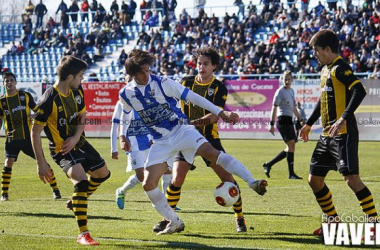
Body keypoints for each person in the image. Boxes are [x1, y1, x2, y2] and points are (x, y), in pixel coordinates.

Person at [119, 49, 268, 235]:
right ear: (133, 74)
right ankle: (173, 221)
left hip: (184, 131)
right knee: (149, 184)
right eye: (142, 71)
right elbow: (125, 114)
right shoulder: (126, 94)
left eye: (148, 69)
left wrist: (221, 113)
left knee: (215, 157)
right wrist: (122, 135)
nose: (147, 73)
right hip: (161, 141)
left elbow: (192, 97)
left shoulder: (163, 82)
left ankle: (251, 184)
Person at [153, 47, 249, 233]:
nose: (201, 67)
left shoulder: (219, 87)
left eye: (206, 64)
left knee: (227, 178)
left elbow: (214, 116)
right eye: (199, 63)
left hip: (208, 139)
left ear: (214, 66)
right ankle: (167, 220)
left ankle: (239, 218)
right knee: (176, 179)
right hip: (185, 138)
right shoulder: (186, 82)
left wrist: (190, 123)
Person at [300, 29, 378, 235]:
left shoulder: (340, 68)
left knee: (352, 179)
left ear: (327, 49)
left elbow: (359, 90)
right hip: (327, 135)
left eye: (317, 50)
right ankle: (334, 221)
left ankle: (375, 225)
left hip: (344, 133)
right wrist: (308, 123)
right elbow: (323, 100)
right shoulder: (325, 70)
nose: (315, 54)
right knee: (314, 180)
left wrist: (343, 118)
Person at [31, 56, 111, 245]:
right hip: (62, 149)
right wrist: (41, 163)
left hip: (79, 142)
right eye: (81, 76)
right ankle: (83, 234)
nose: (82, 80)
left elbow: (83, 116)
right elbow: (35, 133)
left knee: (103, 174)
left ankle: (76, 201)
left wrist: (75, 137)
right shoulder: (48, 100)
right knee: (81, 182)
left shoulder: (77, 90)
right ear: (70, 77)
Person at [0, 72, 61, 202]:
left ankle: (56, 190)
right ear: (3, 83)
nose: (9, 82)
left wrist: (34, 116)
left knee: (43, 162)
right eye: (6, 80)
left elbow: (38, 109)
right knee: (8, 162)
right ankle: (4, 194)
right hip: (12, 138)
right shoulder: (1, 101)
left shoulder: (25, 96)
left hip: (29, 139)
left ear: (16, 82)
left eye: (11, 80)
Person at [262, 70, 304, 179]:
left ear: (292, 80)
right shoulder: (280, 91)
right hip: (282, 120)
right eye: (285, 79)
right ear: (282, 80)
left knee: (290, 146)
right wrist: (271, 124)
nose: (287, 81)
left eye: (289, 79)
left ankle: (269, 164)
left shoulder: (291, 91)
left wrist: (300, 118)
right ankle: (291, 174)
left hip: (289, 120)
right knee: (291, 145)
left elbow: (294, 108)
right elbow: (274, 108)